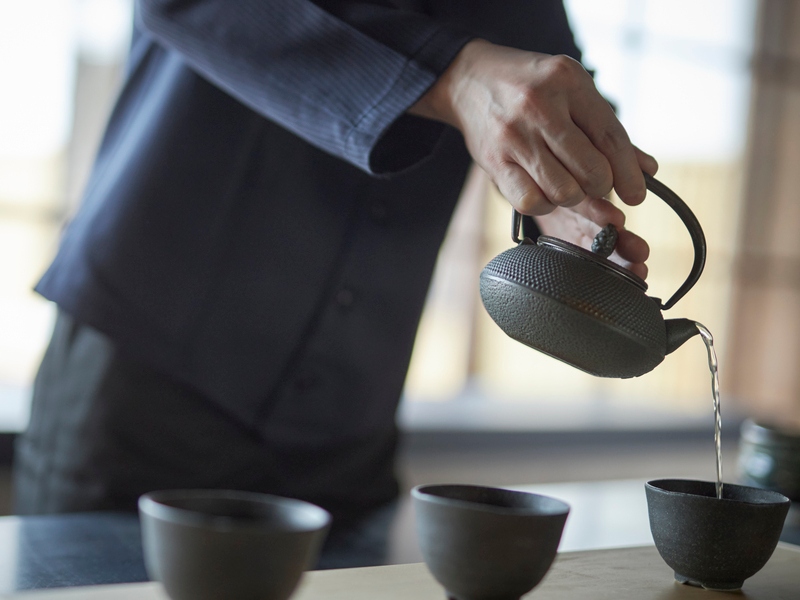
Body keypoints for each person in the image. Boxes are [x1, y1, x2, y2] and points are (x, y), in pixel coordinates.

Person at [13, 0, 656, 568]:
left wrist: (572, 192)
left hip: (348, 428)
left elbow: (542, 78)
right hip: (147, 383)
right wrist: (454, 74)